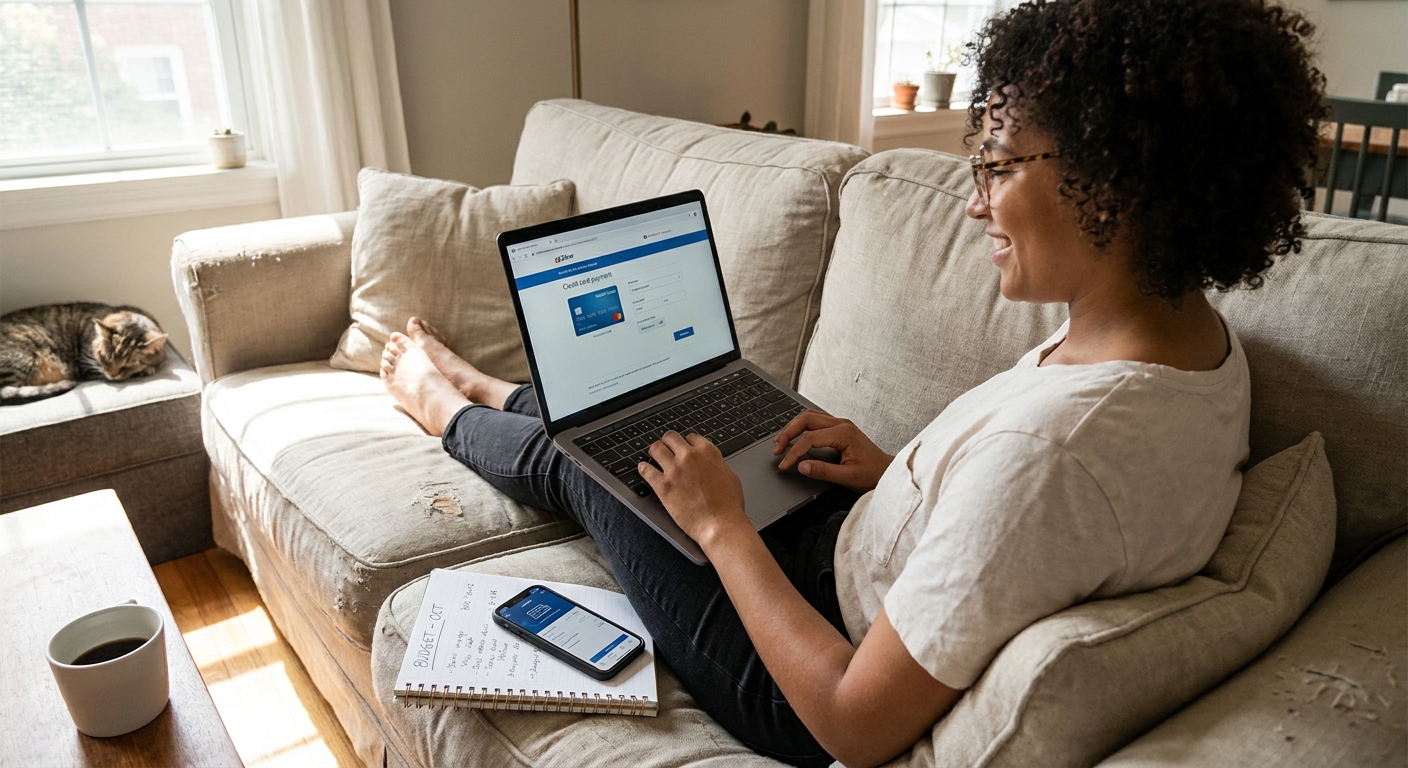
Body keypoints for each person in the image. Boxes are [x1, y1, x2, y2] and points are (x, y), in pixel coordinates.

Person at [379, 1, 1325, 765]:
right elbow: (1007, 538)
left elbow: (850, 721)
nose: (974, 198)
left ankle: (446, 404)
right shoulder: (1193, 347)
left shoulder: (1056, 455)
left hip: (794, 674)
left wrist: (721, 528)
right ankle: (496, 388)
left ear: (1116, 182)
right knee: (627, 416)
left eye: (996, 164)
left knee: (583, 459)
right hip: (847, 553)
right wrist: (894, 474)